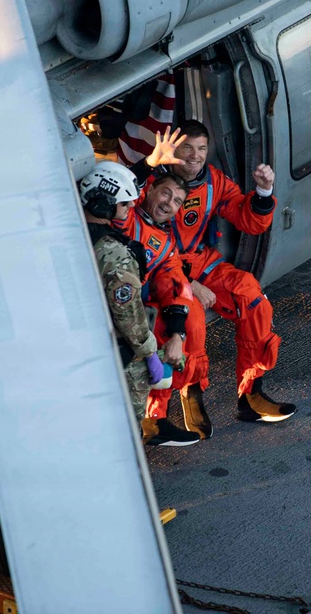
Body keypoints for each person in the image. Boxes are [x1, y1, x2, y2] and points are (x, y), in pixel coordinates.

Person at [129, 121, 296, 433]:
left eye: (202, 149)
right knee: (188, 321)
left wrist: (263, 191)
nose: (195, 156)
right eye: (187, 148)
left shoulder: (213, 182)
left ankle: (251, 395)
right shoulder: (151, 185)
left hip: (197, 260)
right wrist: (191, 286)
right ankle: (179, 400)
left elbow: (249, 219)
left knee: (252, 298)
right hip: (158, 270)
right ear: (173, 151)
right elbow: (125, 213)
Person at [79, 161, 201, 446]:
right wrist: (148, 353)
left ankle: (159, 418)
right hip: (112, 336)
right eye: (165, 194)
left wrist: (177, 334)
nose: (169, 204)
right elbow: (129, 317)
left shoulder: (163, 244)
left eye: (178, 201)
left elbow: (174, 286)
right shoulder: (120, 235)